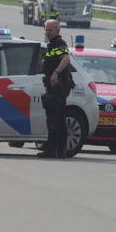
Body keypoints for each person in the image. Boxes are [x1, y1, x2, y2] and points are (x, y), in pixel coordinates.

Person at [38, 18, 73, 158]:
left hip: (58, 87)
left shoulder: (59, 43)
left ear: (58, 30)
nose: (47, 32)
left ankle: (56, 150)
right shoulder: (51, 45)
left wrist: (55, 73)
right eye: (46, 29)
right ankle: (55, 149)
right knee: (53, 118)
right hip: (53, 87)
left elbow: (66, 58)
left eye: (50, 30)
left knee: (56, 119)